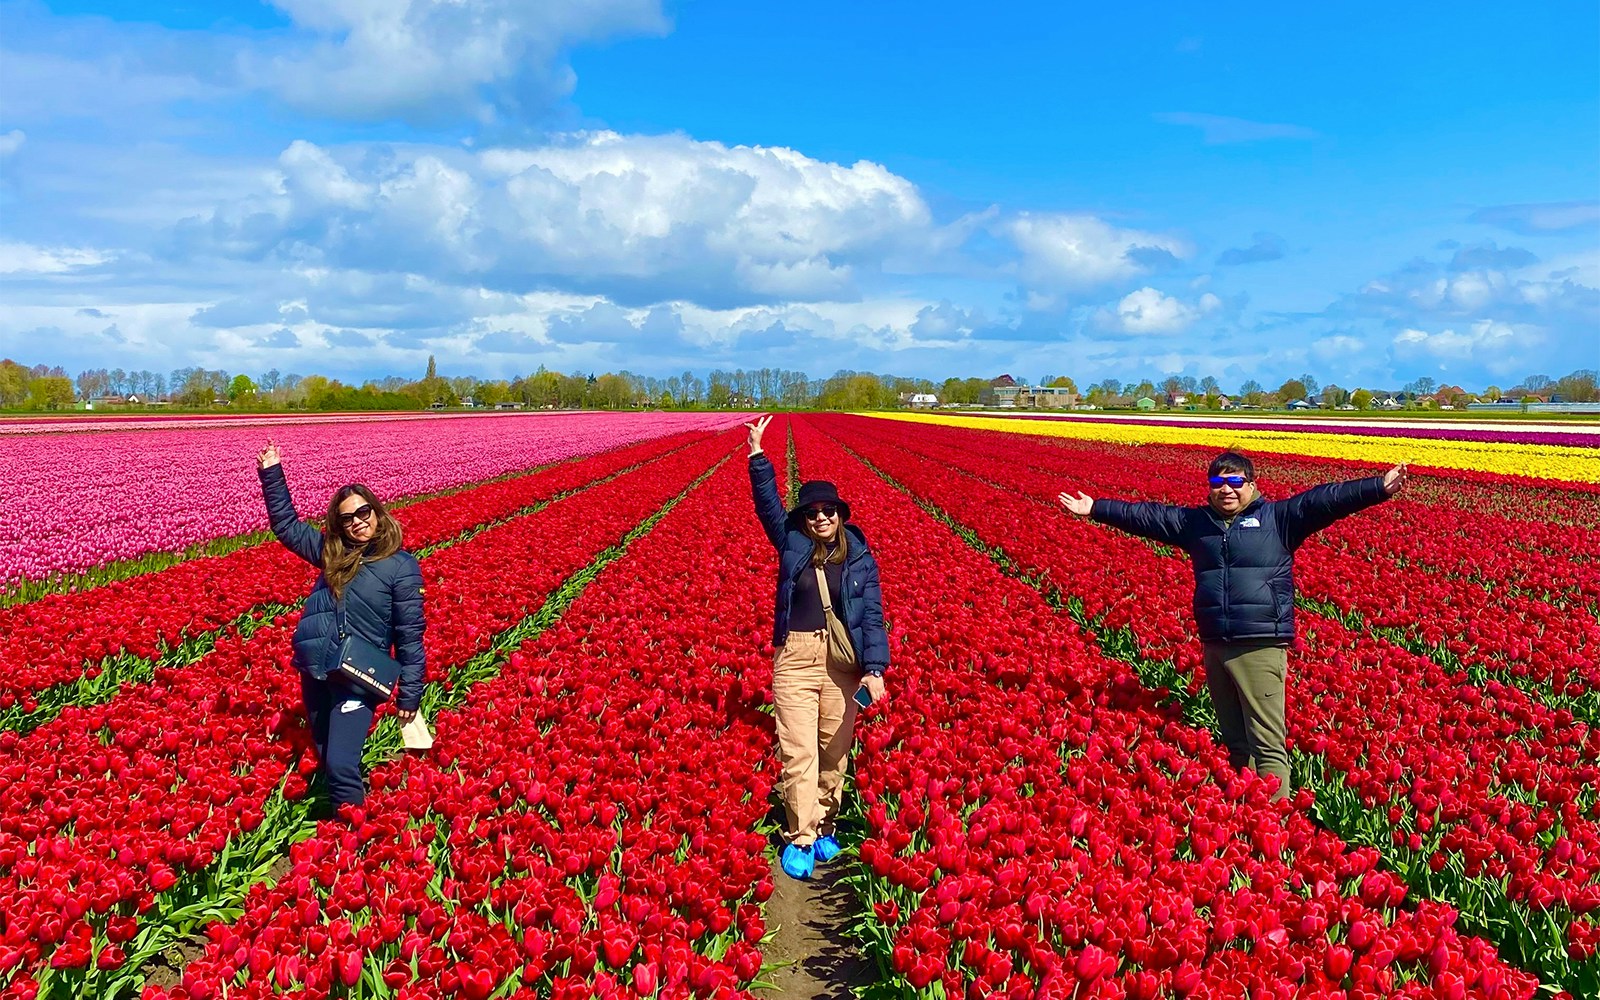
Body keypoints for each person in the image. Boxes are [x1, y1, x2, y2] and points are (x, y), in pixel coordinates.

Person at [1058, 451, 1407, 801]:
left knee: (1267, 743)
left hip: (1259, 644)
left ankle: (1277, 821)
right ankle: (1247, 815)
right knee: (1236, 743)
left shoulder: (1277, 519)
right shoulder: (1196, 524)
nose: (1226, 489)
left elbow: (1325, 500)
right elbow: (1148, 516)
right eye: (1218, 482)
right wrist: (1096, 508)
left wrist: (1378, 487)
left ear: (1251, 485)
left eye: (1235, 482)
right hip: (1216, 643)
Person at [746, 415, 889, 879]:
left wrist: (875, 668)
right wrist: (757, 457)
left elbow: (871, 616)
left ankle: (825, 825)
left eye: (828, 510)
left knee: (833, 749)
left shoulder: (861, 558)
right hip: (796, 656)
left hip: (842, 663)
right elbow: (768, 507)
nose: (821, 517)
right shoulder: (791, 545)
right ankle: (801, 835)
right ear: (803, 520)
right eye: (812, 512)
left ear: (841, 514)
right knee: (799, 751)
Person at [256, 441, 426, 816]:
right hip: (317, 669)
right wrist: (272, 472)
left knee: (340, 764)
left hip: (358, 677)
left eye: (364, 512)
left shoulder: (400, 566)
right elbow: (286, 527)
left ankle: (352, 838)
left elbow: (411, 636)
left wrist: (410, 695)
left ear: (377, 514)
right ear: (339, 525)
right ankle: (342, 821)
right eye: (348, 518)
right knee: (324, 748)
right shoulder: (333, 555)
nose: (359, 521)